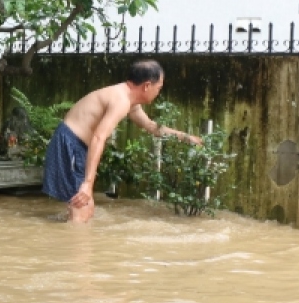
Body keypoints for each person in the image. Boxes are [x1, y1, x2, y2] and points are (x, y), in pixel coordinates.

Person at [42, 59, 202, 223]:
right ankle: (76, 245)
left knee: (83, 208)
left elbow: (151, 126)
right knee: (83, 206)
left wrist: (186, 137)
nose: (158, 92)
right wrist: (88, 183)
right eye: (159, 87)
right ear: (147, 85)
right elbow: (99, 137)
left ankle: (69, 239)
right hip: (69, 145)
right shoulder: (121, 101)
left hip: (75, 145)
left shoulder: (129, 101)